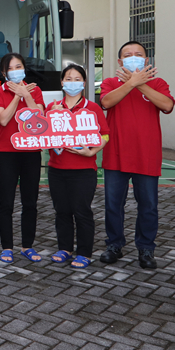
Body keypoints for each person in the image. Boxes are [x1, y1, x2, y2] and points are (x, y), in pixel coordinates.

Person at [99, 41, 174, 269]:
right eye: (128, 55)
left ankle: (146, 248)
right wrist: (131, 82)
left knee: (148, 206)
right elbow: (106, 102)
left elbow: (167, 105)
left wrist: (140, 84)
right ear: (120, 61)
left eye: (138, 54)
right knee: (113, 205)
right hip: (116, 154)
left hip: (146, 155)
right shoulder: (110, 83)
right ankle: (114, 244)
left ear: (146, 60)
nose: (134, 57)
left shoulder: (158, 83)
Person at [46, 64, 109, 269]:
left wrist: (91, 152)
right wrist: (51, 116)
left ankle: (84, 252)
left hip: (83, 170)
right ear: (62, 82)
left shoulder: (92, 108)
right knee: (62, 211)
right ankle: (65, 248)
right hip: (57, 169)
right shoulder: (52, 107)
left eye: (77, 79)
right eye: (68, 79)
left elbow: (105, 135)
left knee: (82, 212)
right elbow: (42, 135)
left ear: (84, 83)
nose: (72, 83)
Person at [0, 53, 45, 263]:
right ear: (4, 73)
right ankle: (7, 247)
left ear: (24, 68)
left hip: (31, 153)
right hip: (6, 153)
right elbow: (3, 119)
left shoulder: (35, 90)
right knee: (6, 202)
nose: (15, 71)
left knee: (30, 202)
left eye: (19, 66)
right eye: (11, 68)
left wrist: (26, 95)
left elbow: (40, 117)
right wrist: (16, 96)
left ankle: (27, 246)